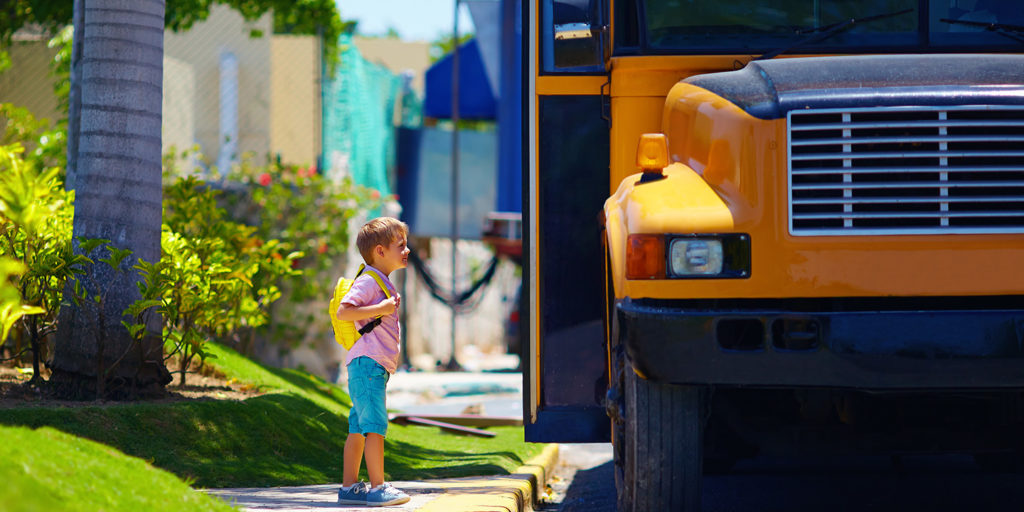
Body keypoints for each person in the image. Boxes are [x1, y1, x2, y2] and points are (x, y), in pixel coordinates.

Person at [335, 217, 411, 507]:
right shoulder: (369, 281)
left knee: (358, 427)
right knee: (375, 425)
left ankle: (350, 487)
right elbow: (345, 311)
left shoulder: (379, 280)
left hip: (369, 366)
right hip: (367, 365)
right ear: (380, 251)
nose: (407, 250)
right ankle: (378, 488)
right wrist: (381, 307)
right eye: (400, 245)